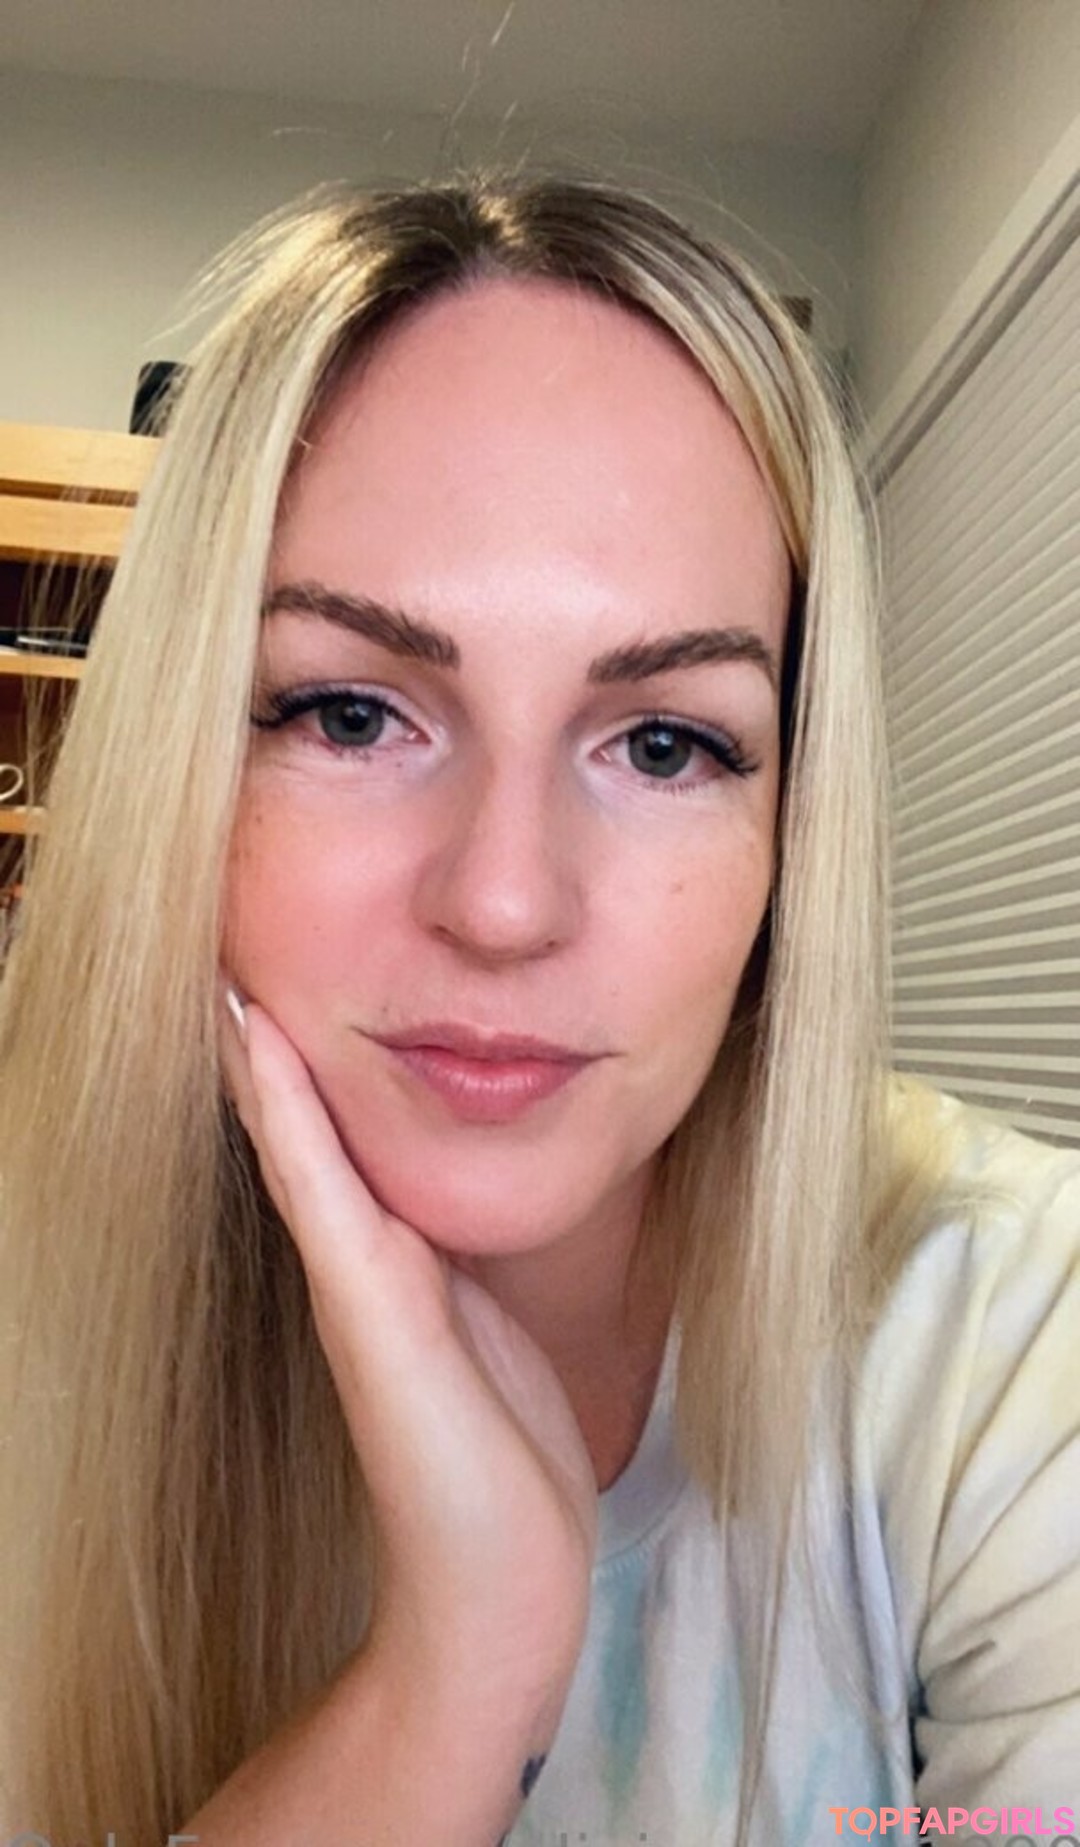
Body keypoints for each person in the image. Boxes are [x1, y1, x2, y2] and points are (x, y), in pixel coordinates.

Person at [0, 174, 1077, 1847]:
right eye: (351, 716)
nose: (504, 904)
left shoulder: (1017, 1344)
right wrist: (455, 1671)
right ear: (178, 774)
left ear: (791, 835)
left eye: (664, 744)